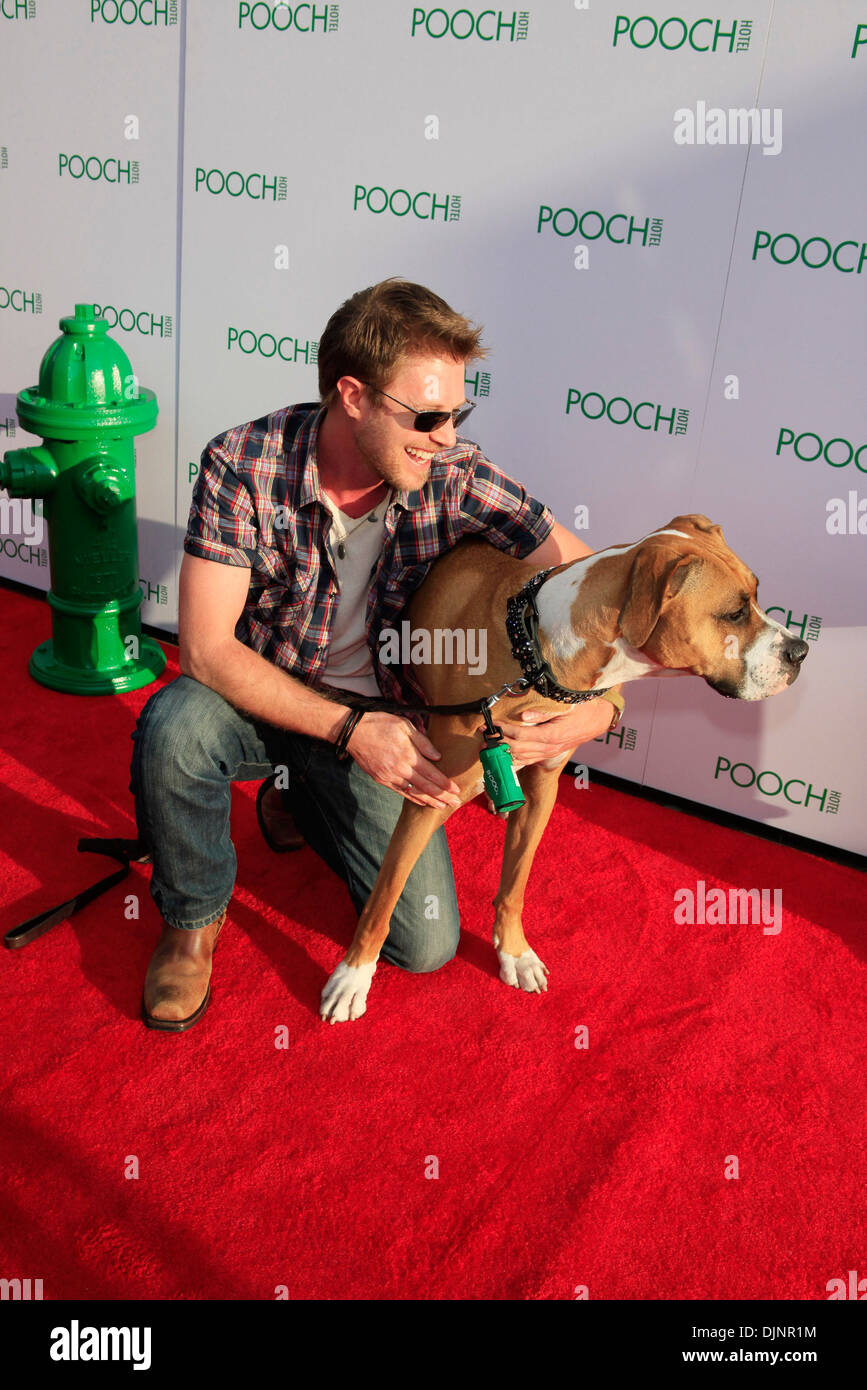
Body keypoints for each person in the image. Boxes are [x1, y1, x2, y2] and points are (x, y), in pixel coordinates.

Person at [129, 277, 620, 1032]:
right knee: (174, 726)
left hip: (389, 726)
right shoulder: (242, 463)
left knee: (422, 946)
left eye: (457, 412)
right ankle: (192, 920)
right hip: (261, 695)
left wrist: (599, 709)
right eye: (426, 415)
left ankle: (297, 796)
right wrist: (350, 731)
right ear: (352, 396)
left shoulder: (459, 476)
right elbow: (204, 649)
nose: (446, 434)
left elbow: (596, 592)